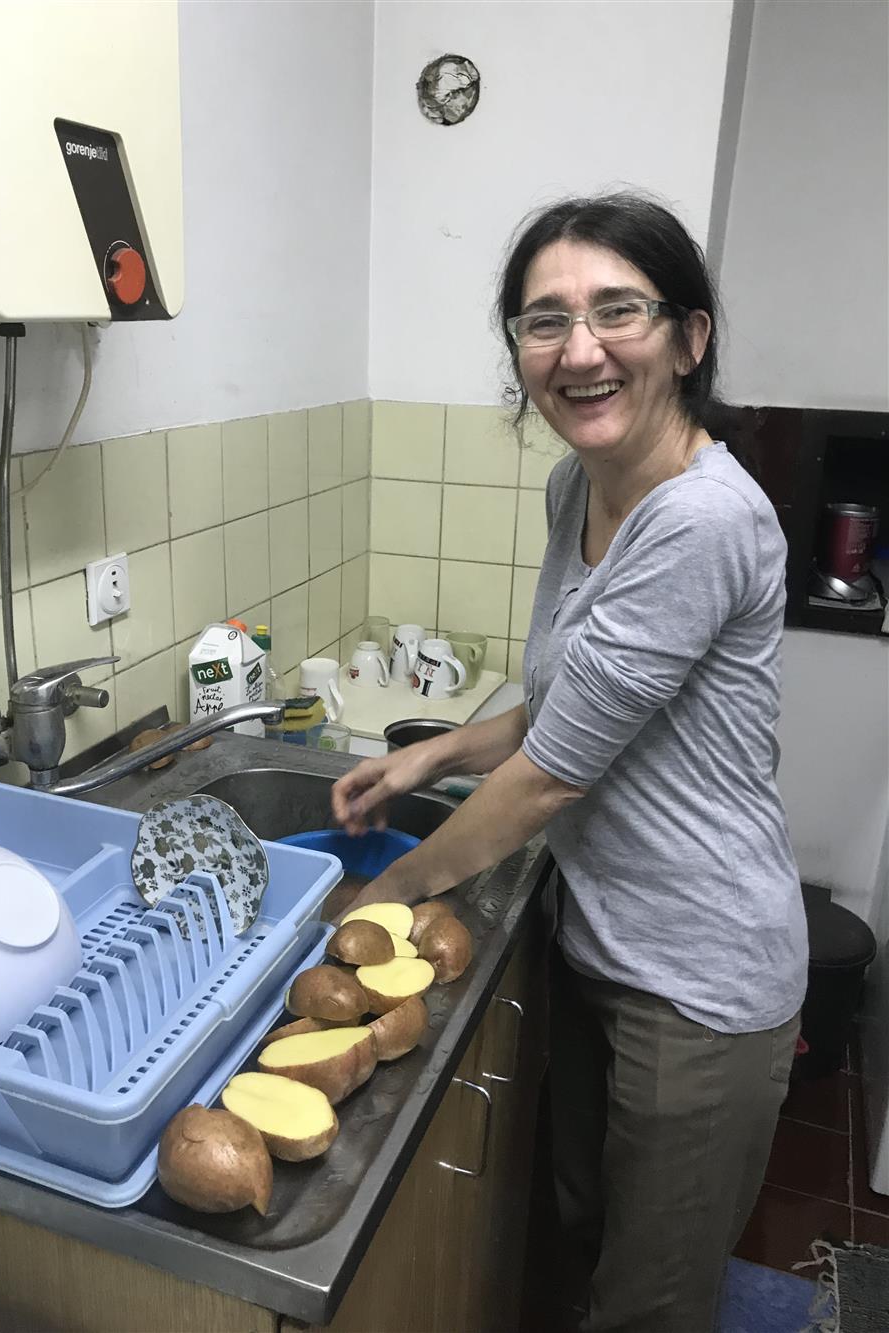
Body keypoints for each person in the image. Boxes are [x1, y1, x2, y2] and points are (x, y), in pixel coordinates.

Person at [330, 193, 808, 1333]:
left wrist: (379, 896)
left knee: (648, 1302)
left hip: (696, 977)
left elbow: (552, 776)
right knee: (585, 1232)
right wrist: (429, 754)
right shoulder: (576, 489)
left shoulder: (700, 521)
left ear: (688, 338)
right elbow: (563, 704)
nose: (578, 350)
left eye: (616, 312)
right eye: (544, 321)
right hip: (600, 937)